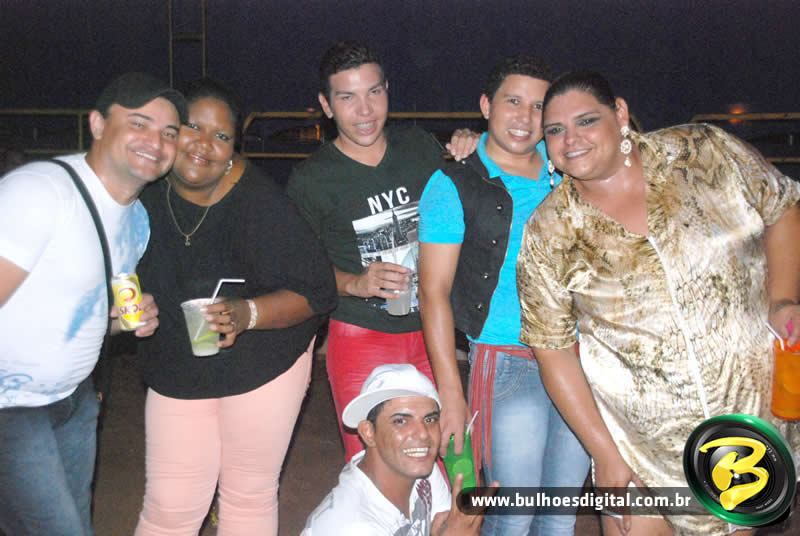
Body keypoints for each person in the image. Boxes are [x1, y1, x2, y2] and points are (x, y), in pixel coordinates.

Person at [517, 71, 800, 536]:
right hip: (638, 444)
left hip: (743, 421)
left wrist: (783, 299)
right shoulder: (550, 232)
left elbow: (782, 205)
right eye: (555, 130)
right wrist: (604, 453)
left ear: (620, 114)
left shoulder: (702, 152)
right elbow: (552, 350)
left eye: (587, 121)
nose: (571, 140)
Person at [133, 78, 337, 536]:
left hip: (265, 359)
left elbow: (318, 290)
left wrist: (248, 313)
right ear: (170, 130)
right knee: (169, 507)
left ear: (232, 150)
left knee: (246, 496)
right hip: (178, 361)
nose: (204, 144)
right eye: (193, 127)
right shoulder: (142, 191)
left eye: (221, 135)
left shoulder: (261, 204)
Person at [0, 72, 180, 536]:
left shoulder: (137, 221)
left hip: (75, 400)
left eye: (169, 132)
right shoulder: (40, 192)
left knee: (74, 519)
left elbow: (86, 315)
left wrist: (124, 322)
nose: (155, 142)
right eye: (138, 123)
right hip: (11, 408)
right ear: (98, 124)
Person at [418, 56, 589, 536]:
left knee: (560, 515)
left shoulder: (569, 170)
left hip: (577, 358)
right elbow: (433, 292)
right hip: (507, 363)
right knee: (512, 514)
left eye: (538, 106)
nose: (524, 117)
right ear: (485, 105)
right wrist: (451, 393)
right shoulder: (454, 184)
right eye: (513, 101)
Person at [287, 40, 477, 460]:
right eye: (347, 98)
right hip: (360, 336)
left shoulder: (420, 148)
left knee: (453, 458)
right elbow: (301, 271)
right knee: (374, 465)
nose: (365, 110)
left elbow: (470, 198)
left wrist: (473, 145)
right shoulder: (311, 180)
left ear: (387, 90)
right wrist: (355, 283)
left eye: (374, 92)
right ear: (326, 105)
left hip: (432, 331)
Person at [302, 363, 489, 535]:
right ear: (368, 432)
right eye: (401, 421)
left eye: (429, 419)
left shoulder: (421, 470)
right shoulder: (353, 526)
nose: (423, 434)